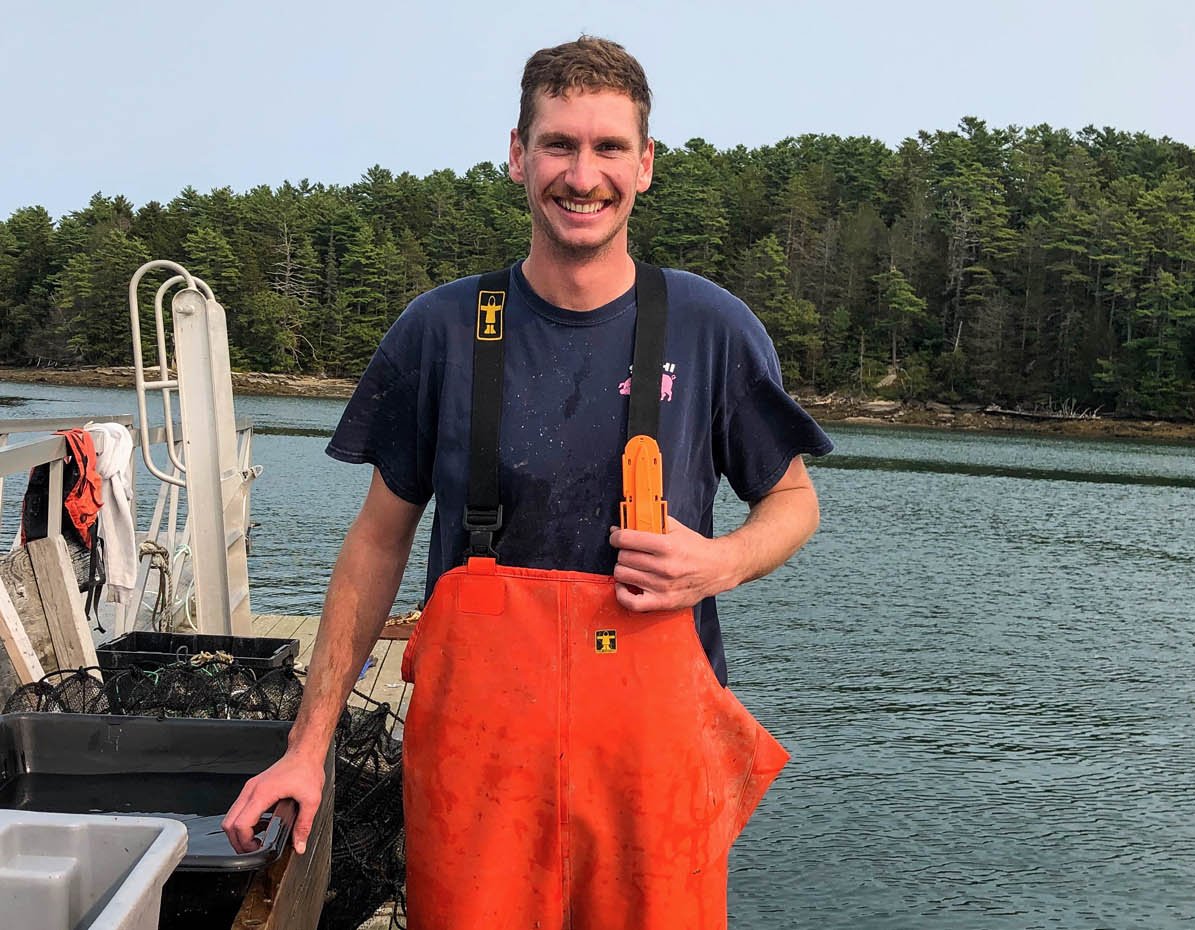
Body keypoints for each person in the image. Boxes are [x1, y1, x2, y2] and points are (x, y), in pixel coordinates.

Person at [224, 35, 833, 928]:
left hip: (652, 765)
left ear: (646, 165)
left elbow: (793, 502)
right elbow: (377, 542)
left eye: (609, 147)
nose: (583, 175)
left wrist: (723, 563)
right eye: (559, 144)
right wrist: (306, 749)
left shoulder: (711, 328)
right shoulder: (439, 330)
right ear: (517, 155)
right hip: (480, 762)